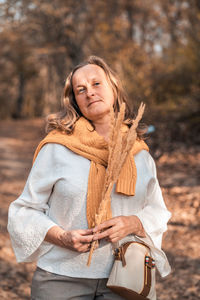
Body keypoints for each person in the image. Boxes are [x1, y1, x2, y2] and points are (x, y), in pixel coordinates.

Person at [7, 55, 171, 300]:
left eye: (96, 84)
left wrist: (134, 223)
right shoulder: (57, 148)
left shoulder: (139, 154)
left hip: (127, 276)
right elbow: (24, 210)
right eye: (80, 89)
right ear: (75, 101)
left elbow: (158, 211)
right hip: (60, 278)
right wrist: (61, 237)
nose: (89, 93)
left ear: (114, 88)